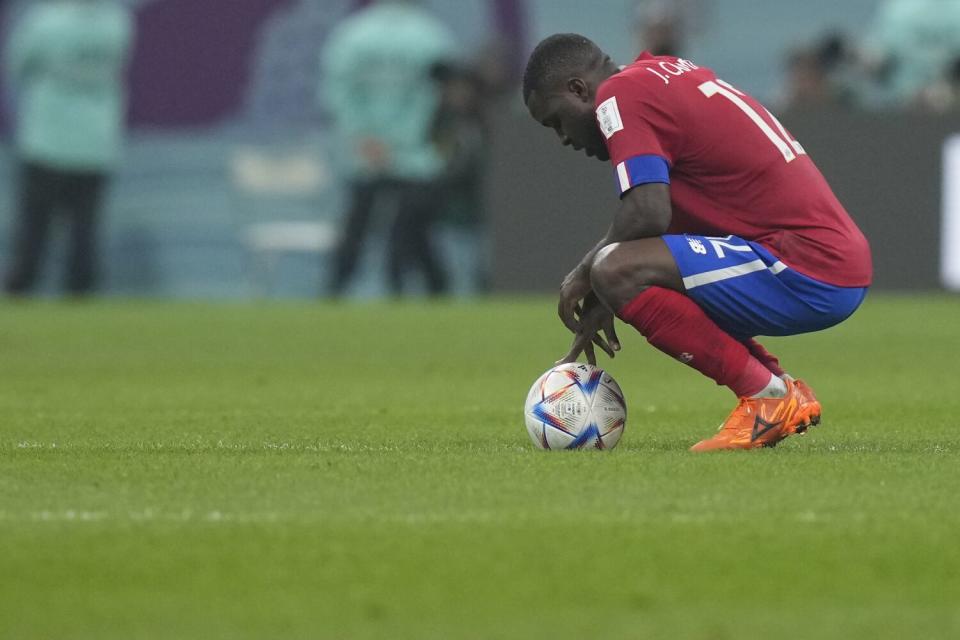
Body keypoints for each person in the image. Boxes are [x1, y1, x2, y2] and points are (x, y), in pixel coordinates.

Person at [522, 34, 872, 452]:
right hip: (825, 260)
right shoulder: (657, 74)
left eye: (556, 121)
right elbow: (662, 222)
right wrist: (607, 286)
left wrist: (587, 275)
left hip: (806, 265)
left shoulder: (619, 95)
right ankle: (780, 389)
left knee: (613, 267)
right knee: (617, 267)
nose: (562, 138)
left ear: (578, 89)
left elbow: (647, 213)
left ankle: (766, 397)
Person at [321, 0, 455, 297]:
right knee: (414, 231)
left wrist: (364, 136)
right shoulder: (431, 35)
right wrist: (405, 137)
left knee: (357, 227)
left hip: (366, 153)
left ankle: (334, 292)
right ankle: (434, 291)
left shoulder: (352, 34)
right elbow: (441, 93)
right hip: (415, 153)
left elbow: (338, 91)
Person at [3, 0, 134, 297]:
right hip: (96, 140)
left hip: (47, 137)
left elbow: (19, 63)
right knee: (84, 226)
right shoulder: (117, 23)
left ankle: (23, 287)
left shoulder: (46, 22)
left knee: (35, 225)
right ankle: (81, 290)